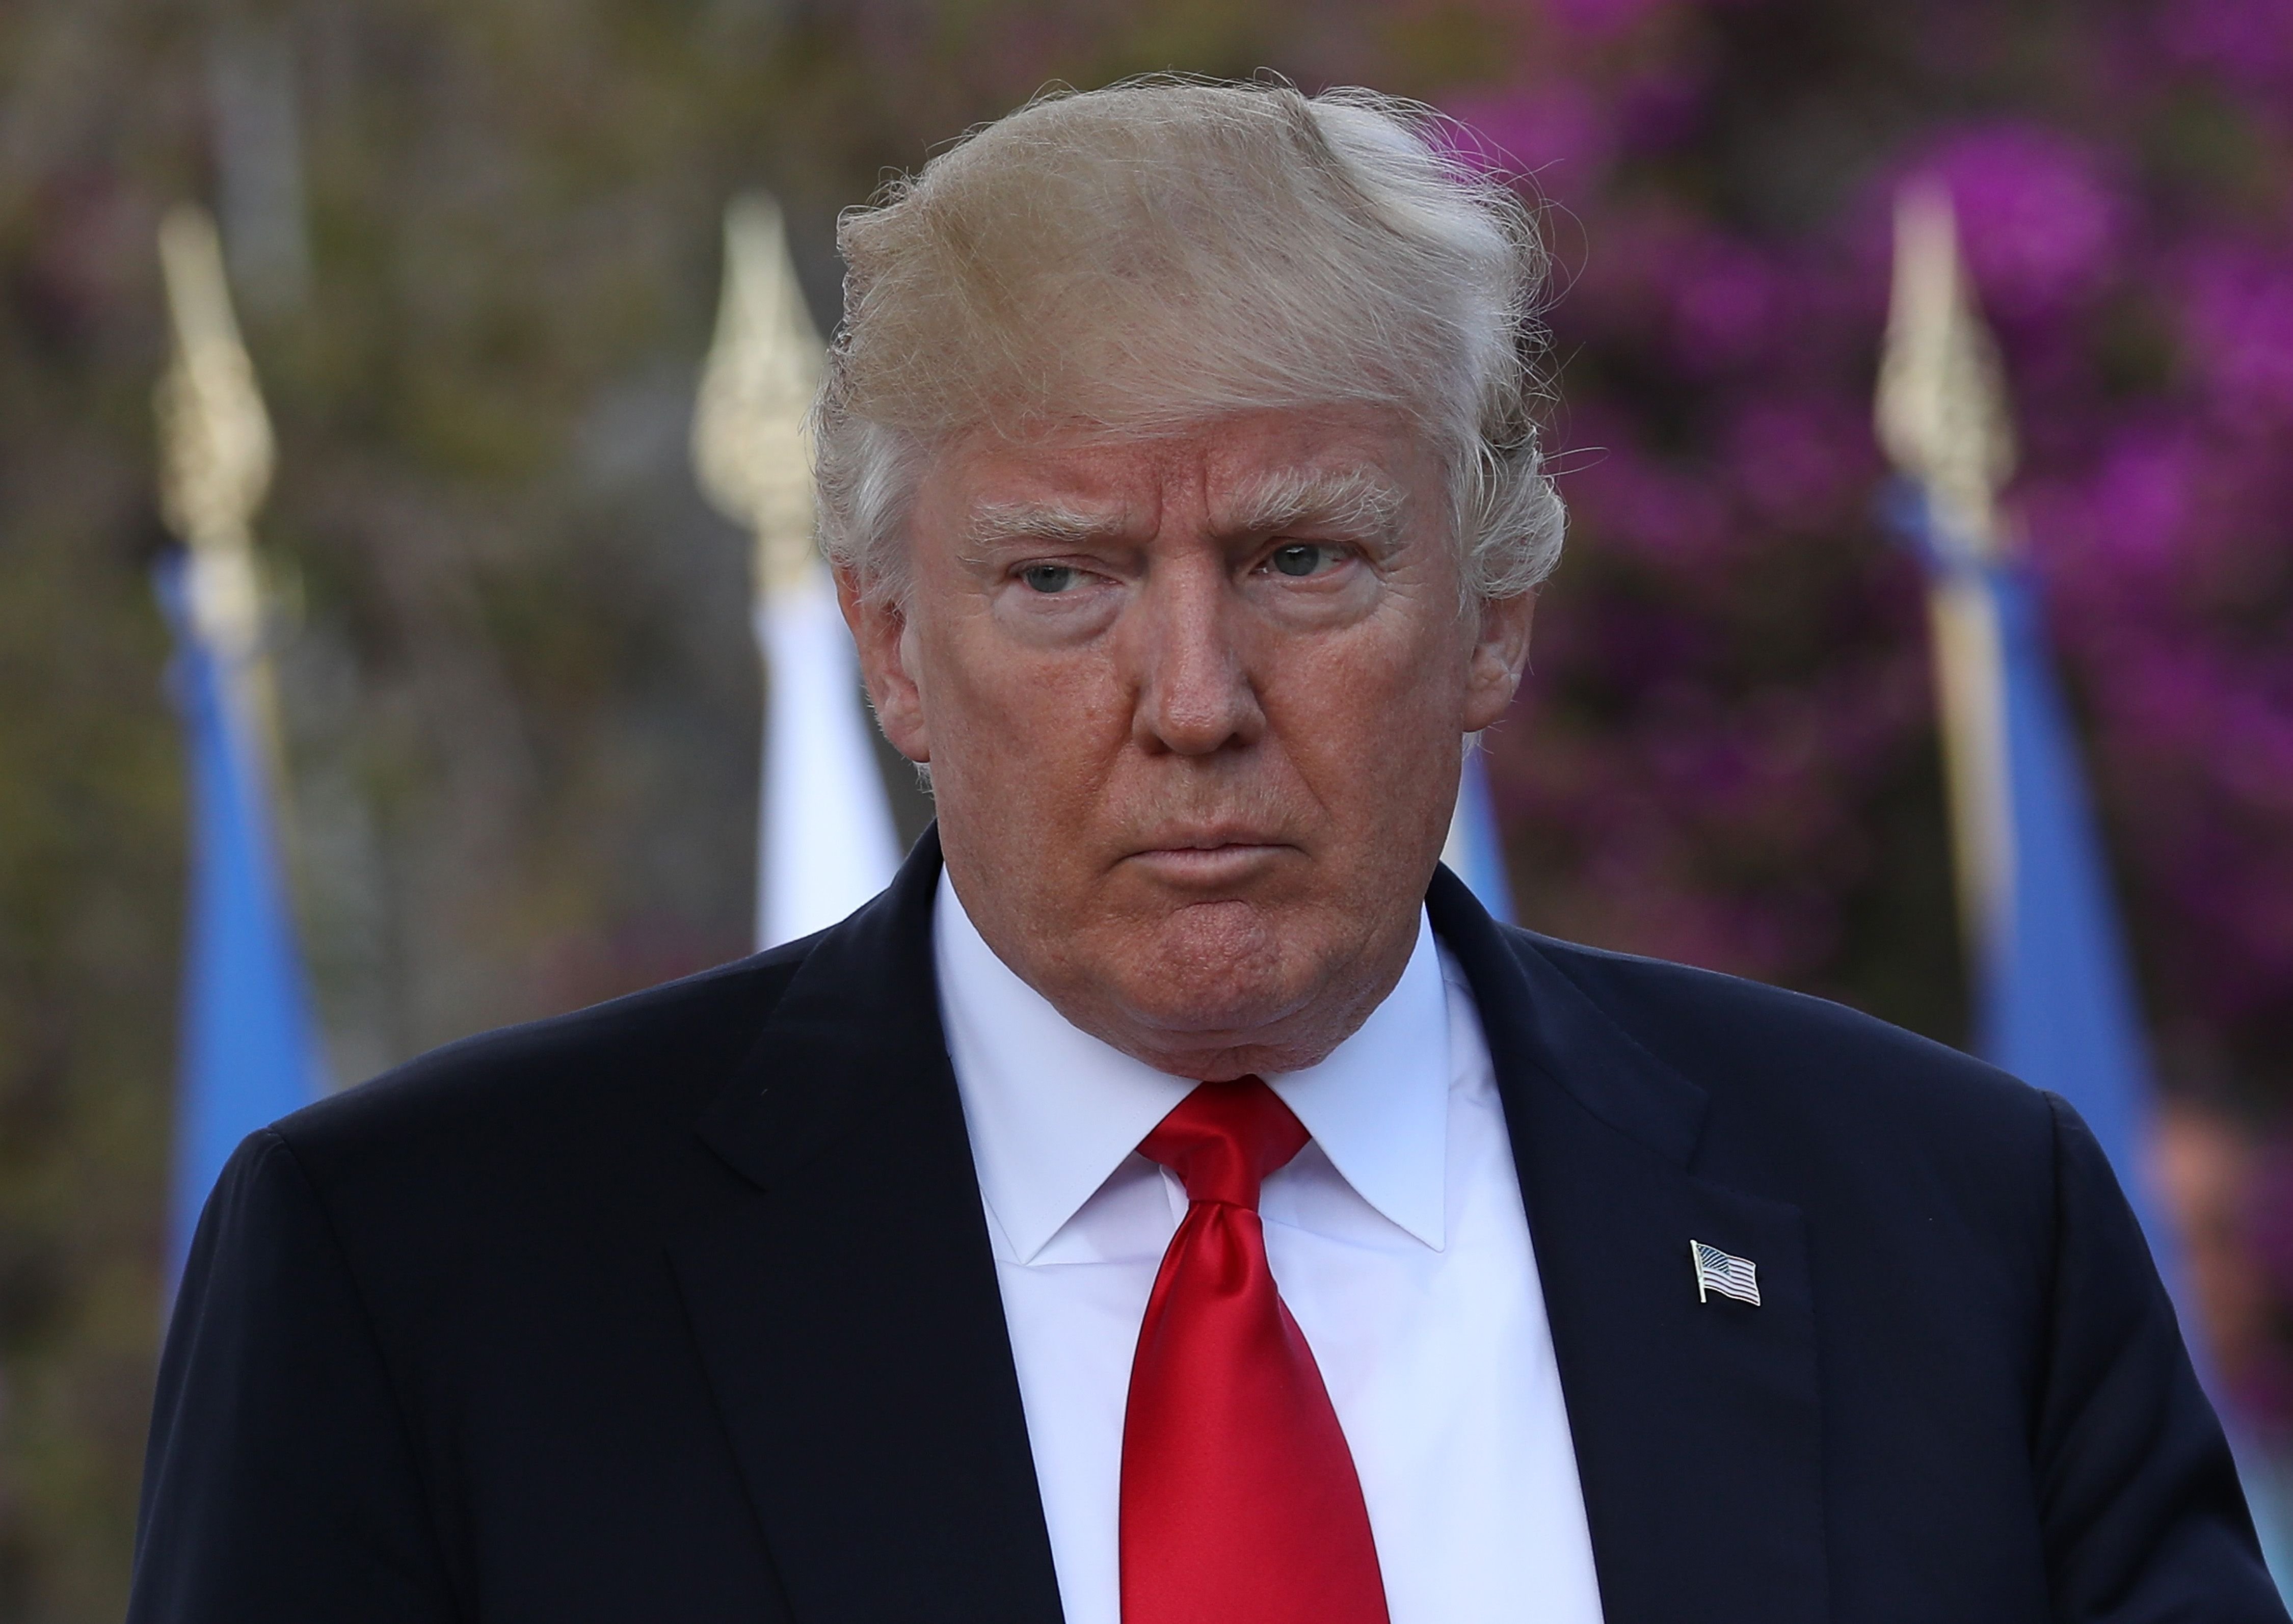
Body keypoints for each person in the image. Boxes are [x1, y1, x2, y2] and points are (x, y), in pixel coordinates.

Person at [128, 78, 2282, 1624]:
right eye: (1061, 577)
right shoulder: (431, 1280)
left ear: (1495, 610)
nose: (1193, 691)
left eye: (1303, 556)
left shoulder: (1952, 1230)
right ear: (888, 639)